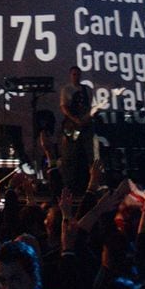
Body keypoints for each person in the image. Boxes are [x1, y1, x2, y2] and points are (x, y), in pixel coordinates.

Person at [59, 66, 93, 196]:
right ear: (70, 75)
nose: (76, 76)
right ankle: (70, 184)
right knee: (71, 153)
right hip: (72, 125)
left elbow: (89, 106)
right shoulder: (66, 90)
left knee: (87, 153)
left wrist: (86, 118)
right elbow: (64, 107)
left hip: (85, 125)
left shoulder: (87, 90)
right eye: (74, 74)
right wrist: (75, 119)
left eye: (78, 74)